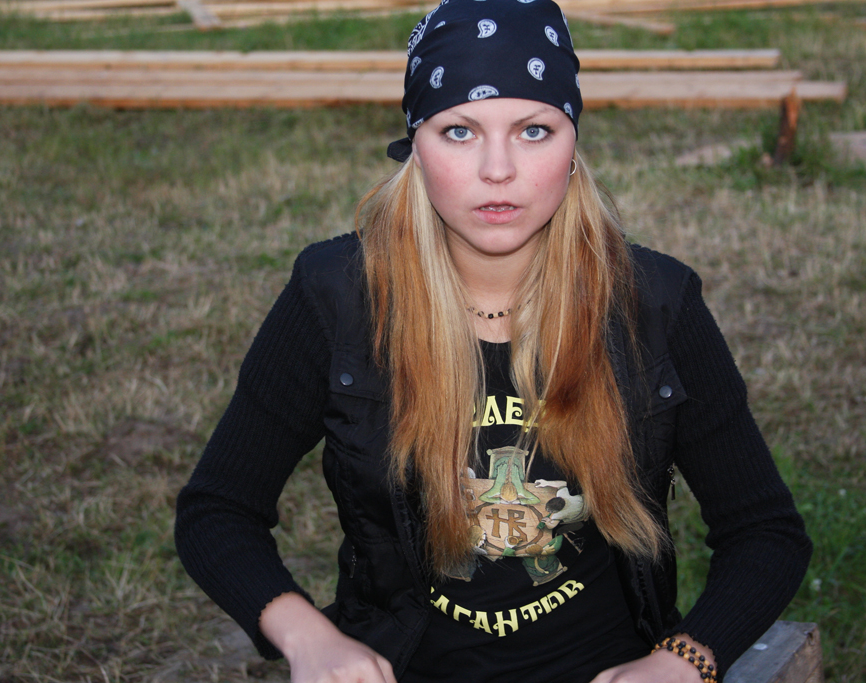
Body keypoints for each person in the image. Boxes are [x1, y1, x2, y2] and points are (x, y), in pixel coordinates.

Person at [174, 1, 813, 681]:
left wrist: (682, 661)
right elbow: (218, 508)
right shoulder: (338, 295)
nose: (498, 169)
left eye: (534, 130)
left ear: (573, 145)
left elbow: (763, 531)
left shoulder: (652, 301)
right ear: (415, 146)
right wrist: (309, 637)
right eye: (459, 131)